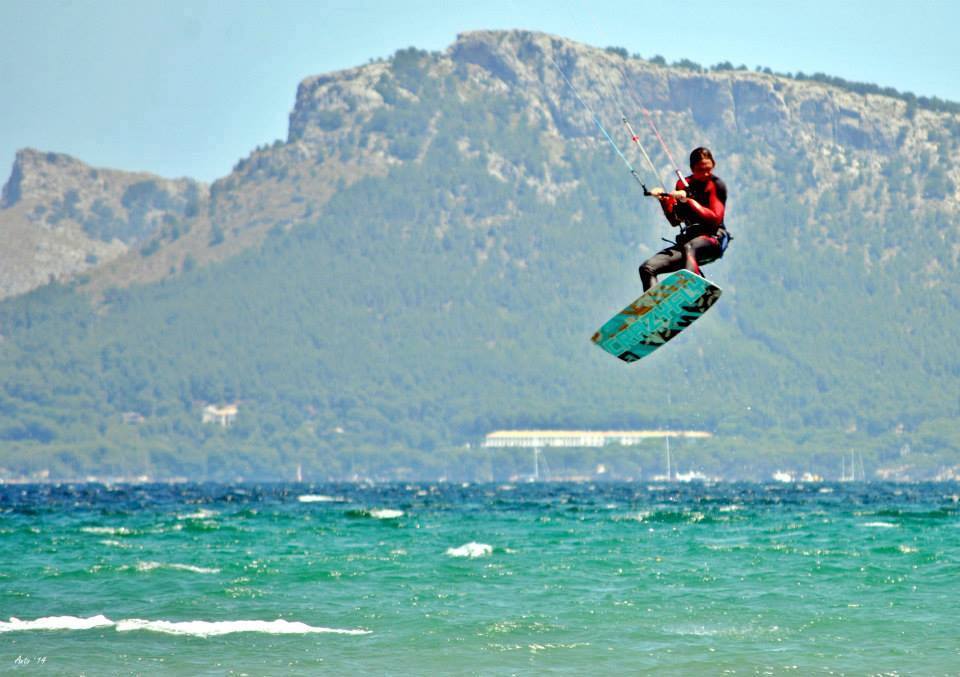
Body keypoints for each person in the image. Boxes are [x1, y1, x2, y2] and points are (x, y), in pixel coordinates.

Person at [639, 147, 729, 291]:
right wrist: (663, 200)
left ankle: (692, 287)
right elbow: (675, 221)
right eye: (700, 170)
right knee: (647, 268)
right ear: (692, 169)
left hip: (713, 240)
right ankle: (655, 308)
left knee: (690, 247)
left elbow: (714, 220)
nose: (706, 173)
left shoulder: (716, 185)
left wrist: (689, 201)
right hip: (689, 244)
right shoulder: (682, 184)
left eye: (709, 168)